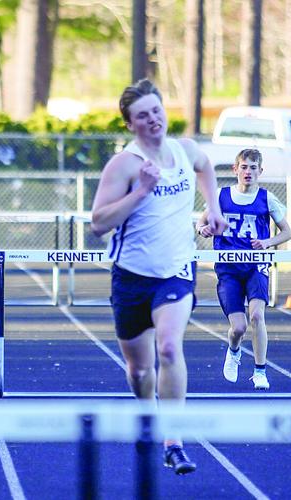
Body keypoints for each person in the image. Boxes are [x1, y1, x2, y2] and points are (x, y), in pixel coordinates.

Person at [90, 79, 226, 475]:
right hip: (132, 278)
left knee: (168, 349)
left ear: (166, 111)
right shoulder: (125, 165)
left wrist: (213, 207)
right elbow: (99, 223)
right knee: (140, 370)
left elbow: (206, 168)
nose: (153, 119)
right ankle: (147, 414)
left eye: (156, 111)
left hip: (177, 273)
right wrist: (141, 192)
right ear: (130, 124)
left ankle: (173, 441)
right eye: (142, 115)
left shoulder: (185, 151)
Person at [196, 149, 291, 390]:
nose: (248, 172)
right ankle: (234, 350)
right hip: (228, 268)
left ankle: (260, 371)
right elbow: (201, 221)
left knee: (257, 316)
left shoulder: (267, 198)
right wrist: (202, 230)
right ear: (235, 169)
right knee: (238, 327)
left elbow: (287, 232)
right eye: (244, 167)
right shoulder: (220, 196)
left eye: (253, 167)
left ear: (260, 171)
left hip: (256, 265)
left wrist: (268, 243)